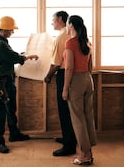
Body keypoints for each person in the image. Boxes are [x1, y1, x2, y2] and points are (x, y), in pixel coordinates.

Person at [0, 16, 39, 154]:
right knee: (1, 110)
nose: (12, 32)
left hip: (7, 80)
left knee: (11, 108)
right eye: (11, 30)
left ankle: (14, 133)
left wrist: (21, 55)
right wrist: (27, 57)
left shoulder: (4, 42)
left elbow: (11, 55)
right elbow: (13, 58)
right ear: (4, 29)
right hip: (0, 82)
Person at [62, 15, 96, 165]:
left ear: (71, 26)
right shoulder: (86, 42)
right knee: (88, 116)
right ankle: (89, 152)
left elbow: (69, 68)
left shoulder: (70, 43)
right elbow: (90, 66)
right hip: (88, 80)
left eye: (67, 25)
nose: (67, 28)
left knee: (78, 119)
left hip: (76, 81)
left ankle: (84, 156)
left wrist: (65, 89)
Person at [44, 11, 77, 156]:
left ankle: (69, 146)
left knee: (64, 110)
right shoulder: (72, 33)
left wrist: (48, 76)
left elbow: (57, 63)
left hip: (64, 74)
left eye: (53, 19)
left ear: (60, 19)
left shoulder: (61, 37)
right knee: (70, 110)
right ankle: (69, 138)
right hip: (76, 76)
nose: (52, 22)